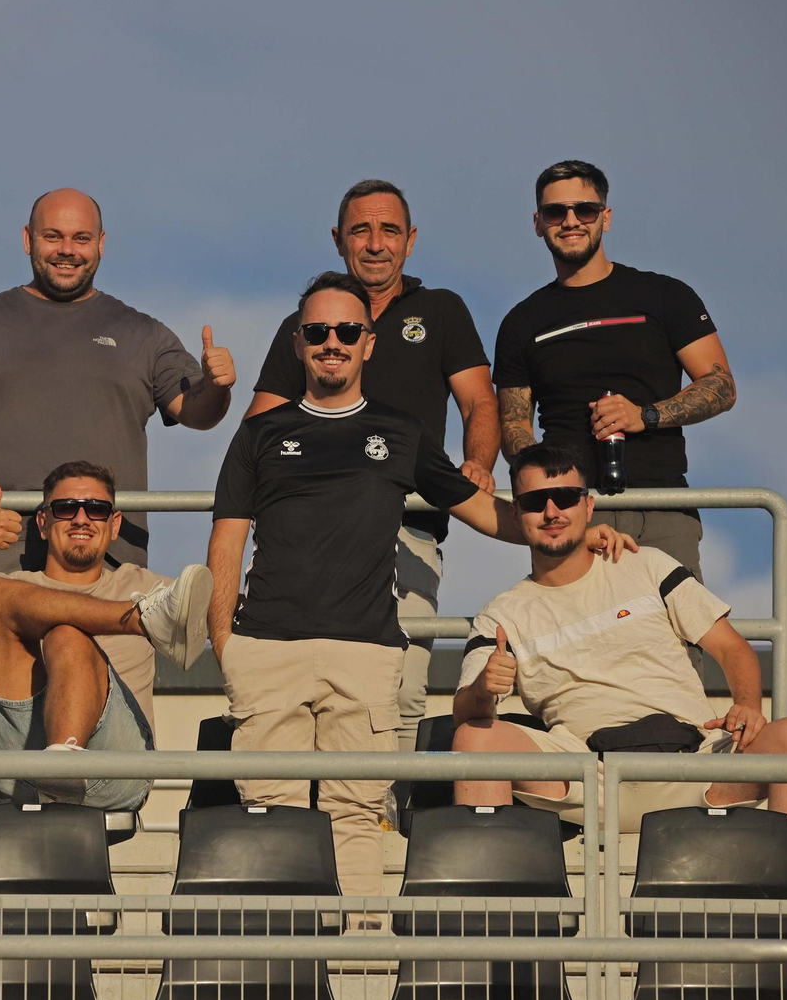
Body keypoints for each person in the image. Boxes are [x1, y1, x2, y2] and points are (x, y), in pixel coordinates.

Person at [207, 273, 635, 897]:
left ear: (369, 345)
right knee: (271, 815)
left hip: (368, 650)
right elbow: (226, 542)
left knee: (354, 816)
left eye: (347, 331)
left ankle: (353, 976)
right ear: (297, 344)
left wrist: (564, 526)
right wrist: (228, 645)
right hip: (267, 650)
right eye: (318, 332)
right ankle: (290, 987)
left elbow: (485, 512)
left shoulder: (401, 431)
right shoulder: (259, 434)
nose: (333, 342)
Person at [450, 443, 787, 871]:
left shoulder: (646, 564)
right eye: (535, 502)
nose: (552, 511)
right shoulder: (501, 613)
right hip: (587, 777)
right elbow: (466, 710)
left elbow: (731, 647)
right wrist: (483, 689)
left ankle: (785, 908)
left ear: (588, 506)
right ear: (516, 515)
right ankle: (491, 919)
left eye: (567, 498)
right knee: (475, 738)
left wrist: (748, 706)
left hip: (696, 765)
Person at [247, 179, 499, 749]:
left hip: (407, 527)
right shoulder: (313, 324)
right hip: (308, 537)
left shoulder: (440, 310)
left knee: (400, 688)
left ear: (410, 240)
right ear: (338, 240)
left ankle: (380, 824)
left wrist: (478, 464)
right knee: (297, 693)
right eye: (360, 230)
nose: (375, 243)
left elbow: (480, 401)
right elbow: (257, 432)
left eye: (389, 229)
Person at [0, 187, 237, 572]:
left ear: (101, 243)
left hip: (105, 554)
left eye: (81, 238)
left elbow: (197, 412)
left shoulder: (143, 333)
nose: (67, 249)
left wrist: (217, 386)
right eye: (52, 236)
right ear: (27, 240)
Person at [494, 160, 738, 582]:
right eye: (555, 212)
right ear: (538, 223)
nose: (570, 221)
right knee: (576, 644)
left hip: (660, 505)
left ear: (605, 217)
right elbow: (514, 423)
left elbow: (721, 384)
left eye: (584, 210)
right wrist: (550, 496)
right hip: (572, 510)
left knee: (675, 641)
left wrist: (645, 416)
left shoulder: (664, 295)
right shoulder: (521, 322)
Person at [0, 460, 203, 808]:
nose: (81, 518)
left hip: (112, 771)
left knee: (67, 635)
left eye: (96, 509)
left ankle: (62, 767)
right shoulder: (8, 591)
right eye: (66, 508)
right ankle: (139, 620)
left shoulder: (150, 587)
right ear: (42, 522)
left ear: (114, 526)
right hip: (9, 760)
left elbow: (217, 612)